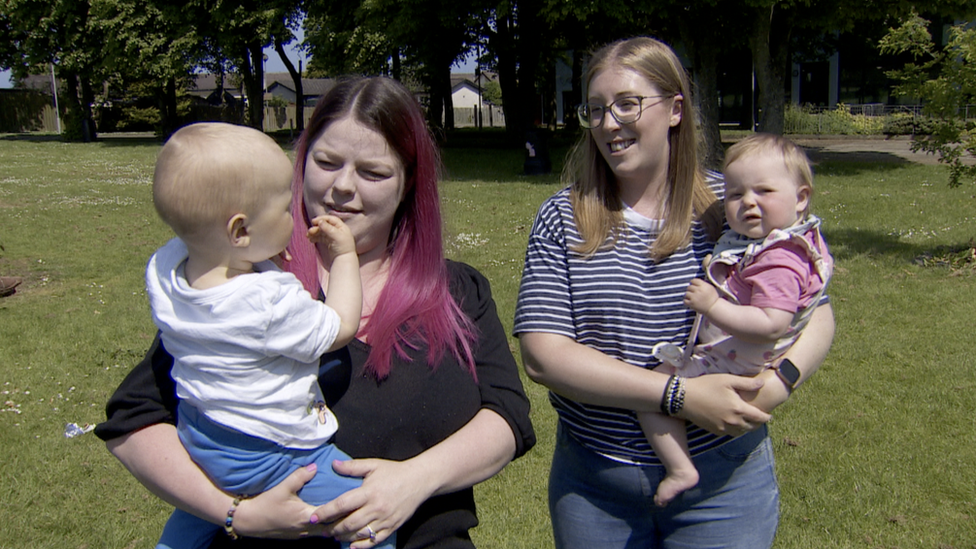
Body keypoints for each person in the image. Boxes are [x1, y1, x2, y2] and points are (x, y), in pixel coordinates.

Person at [95, 76, 535, 549]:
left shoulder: (456, 290)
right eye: (326, 163)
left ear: (408, 184)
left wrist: (414, 481)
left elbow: (507, 416)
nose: (343, 187)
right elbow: (133, 418)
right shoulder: (243, 285)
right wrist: (233, 513)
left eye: (373, 173)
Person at [514, 37, 834, 549]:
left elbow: (813, 312)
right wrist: (677, 395)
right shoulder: (563, 216)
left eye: (627, 104)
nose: (609, 123)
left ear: (675, 110)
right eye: (595, 110)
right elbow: (544, 357)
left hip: (724, 483)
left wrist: (777, 387)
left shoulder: (730, 204)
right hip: (596, 485)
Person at [143, 122, 395, 549]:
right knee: (367, 516)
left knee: (190, 527)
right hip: (268, 450)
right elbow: (339, 325)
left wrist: (256, 255)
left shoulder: (166, 271)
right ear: (240, 232)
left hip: (201, 435)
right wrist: (344, 258)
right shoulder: (267, 302)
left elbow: (211, 257)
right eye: (282, 210)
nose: (292, 216)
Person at [636, 133, 834, 507]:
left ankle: (680, 468)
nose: (748, 203)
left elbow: (772, 322)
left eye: (764, 191)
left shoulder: (780, 258)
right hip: (739, 359)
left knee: (652, 390)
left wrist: (713, 304)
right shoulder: (771, 242)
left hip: (738, 362)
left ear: (801, 198)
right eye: (735, 194)